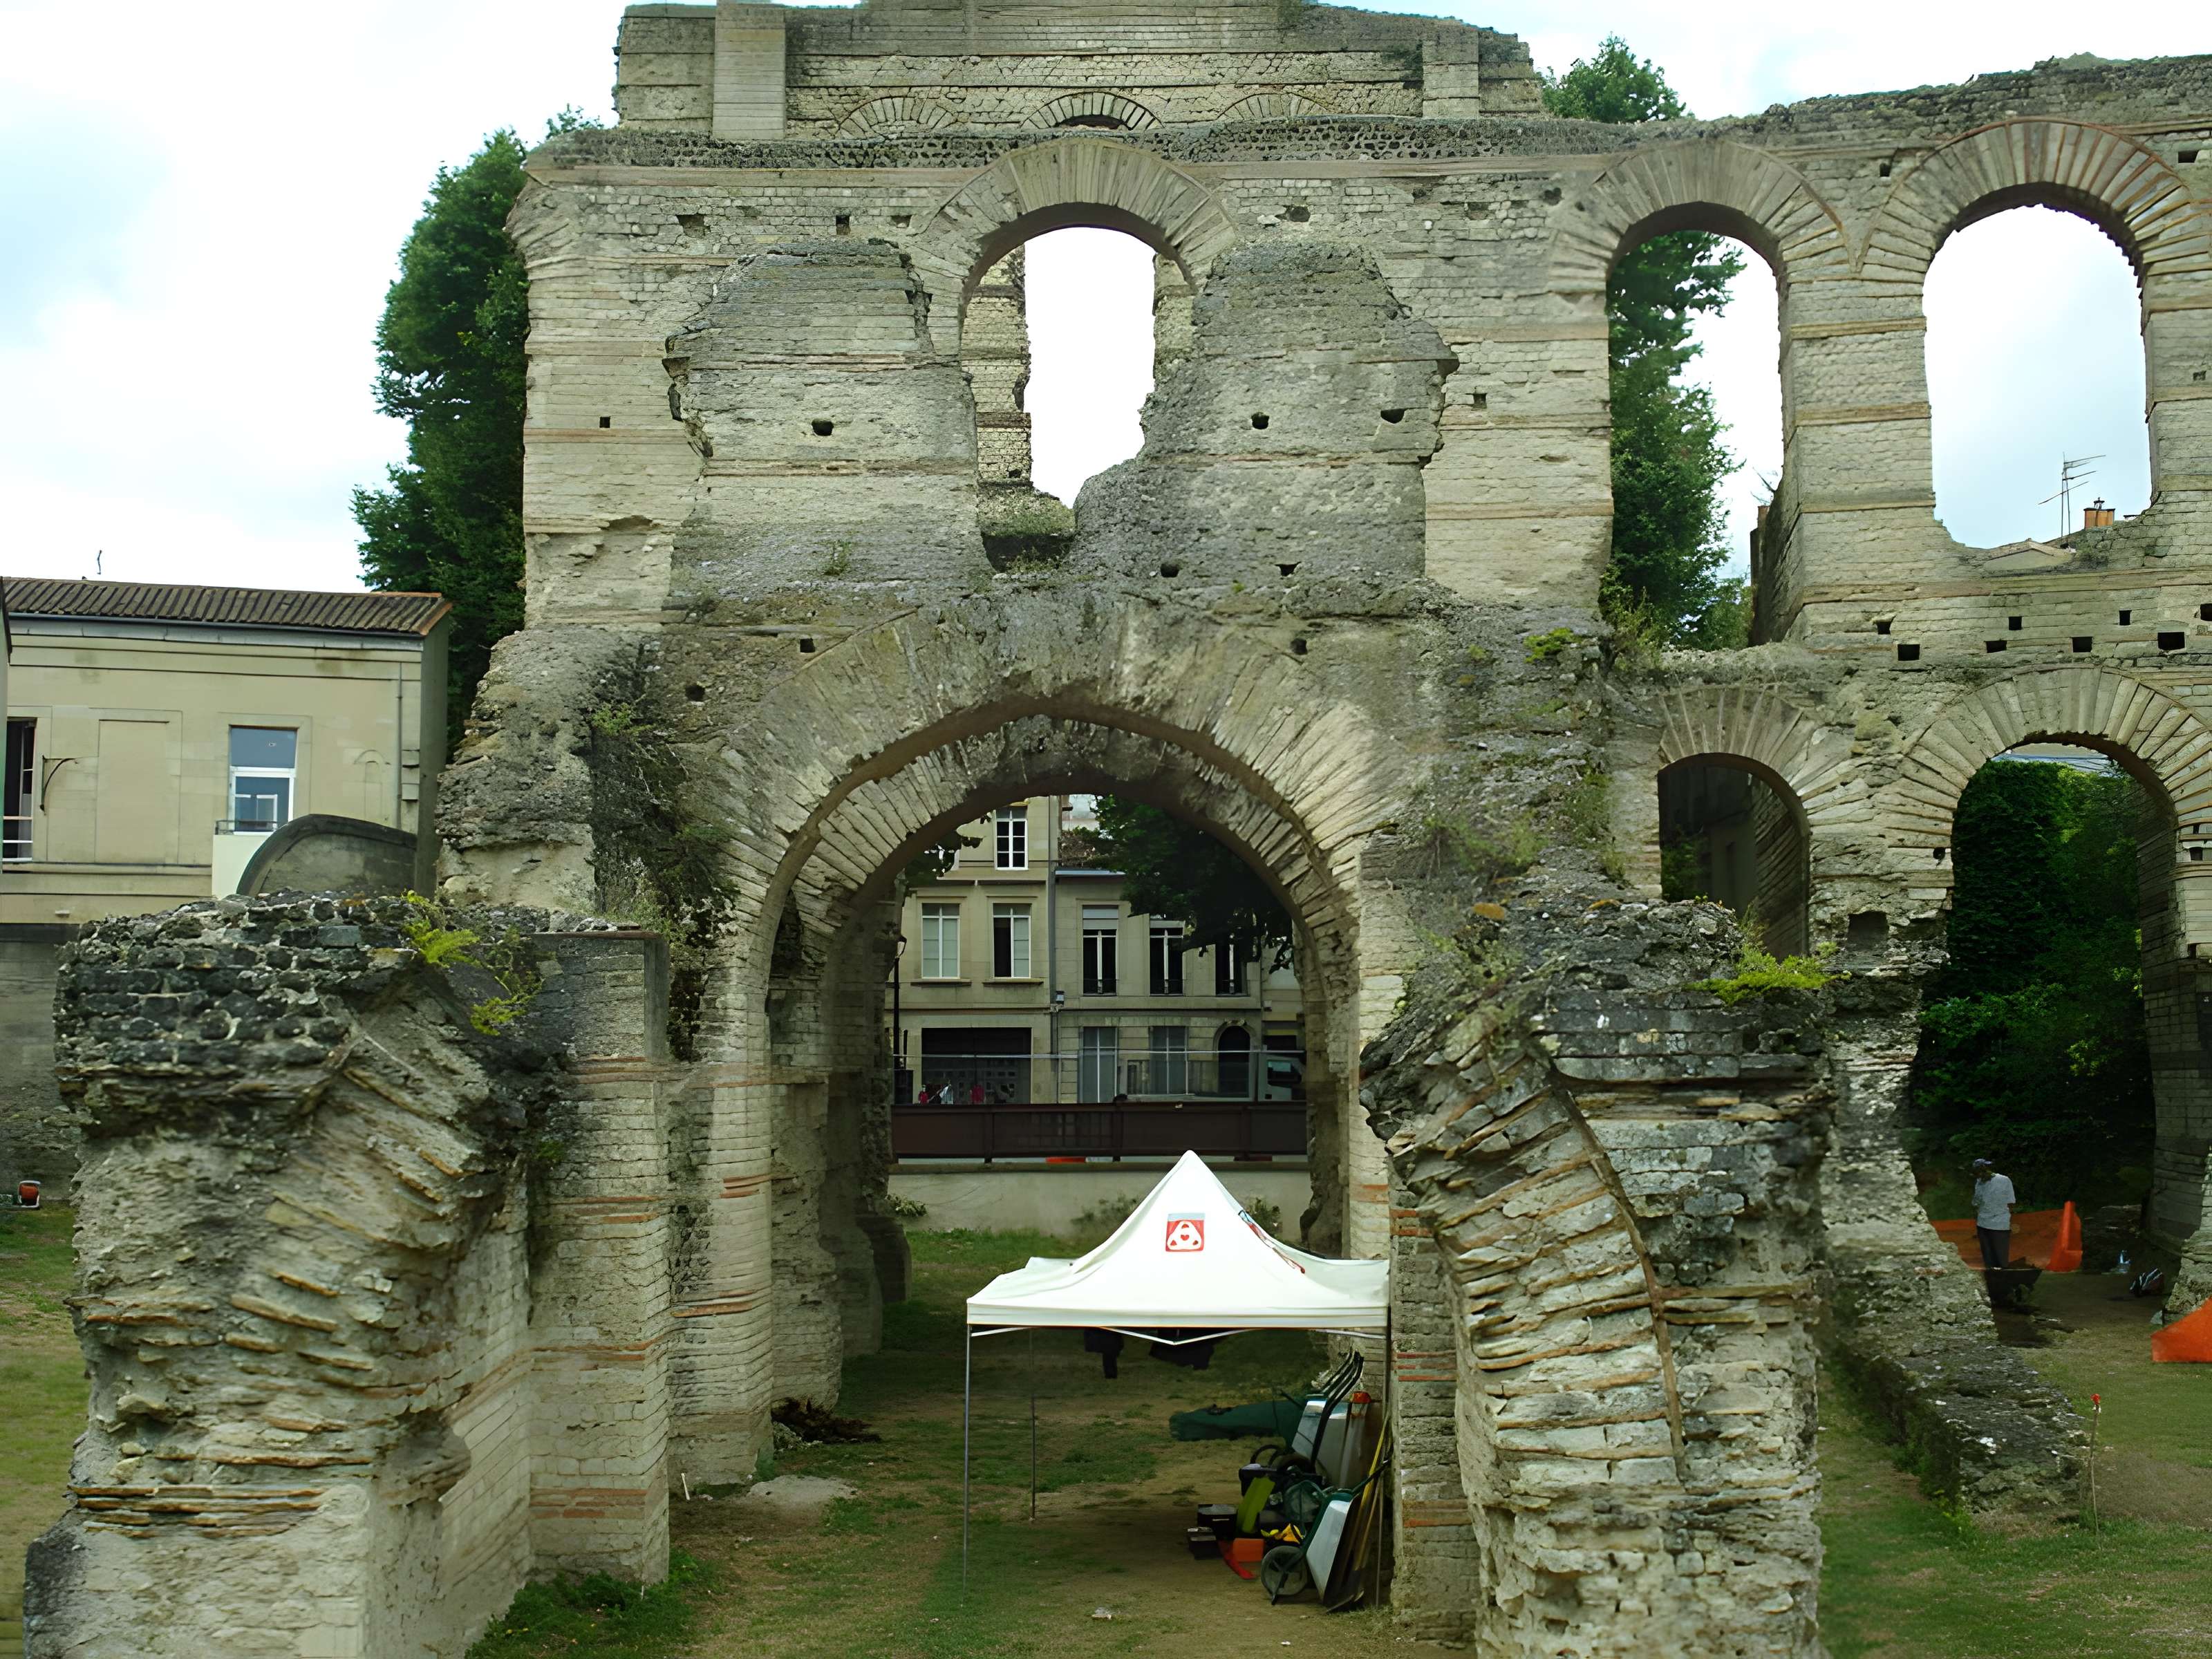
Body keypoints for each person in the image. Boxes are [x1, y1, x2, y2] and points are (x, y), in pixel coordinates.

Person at [1971, 1158, 2016, 1272]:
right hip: (1983, 1223)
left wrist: (2010, 1220)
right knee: (1988, 1257)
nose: (1982, 1173)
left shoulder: (2004, 1180)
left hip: (2000, 1223)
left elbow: (2011, 1202)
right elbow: (1976, 1202)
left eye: (1984, 1169)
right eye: (1979, 1171)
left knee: (2001, 1256)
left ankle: (2003, 1280)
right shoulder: (1979, 1183)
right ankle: (1992, 1280)